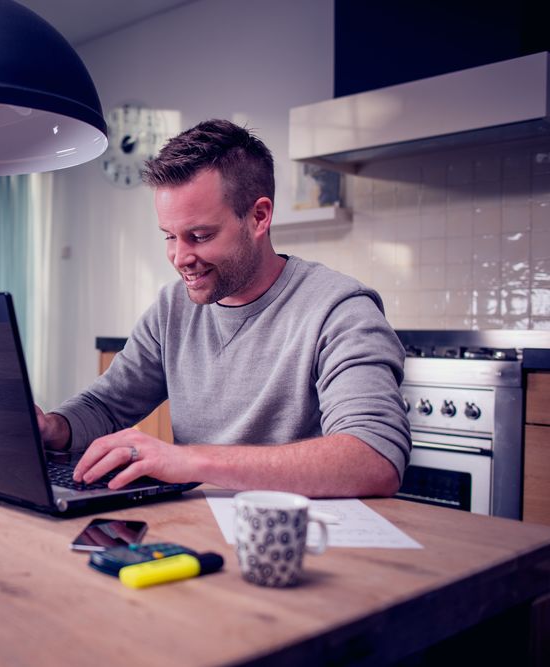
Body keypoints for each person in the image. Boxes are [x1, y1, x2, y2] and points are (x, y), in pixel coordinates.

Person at [36, 119, 410, 498]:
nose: (180, 257)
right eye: (169, 236)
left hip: (297, 544)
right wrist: (54, 426)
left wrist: (192, 461)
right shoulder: (172, 309)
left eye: (199, 236)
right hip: (197, 528)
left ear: (259, 217)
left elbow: (374, 457)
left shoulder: (339, 309)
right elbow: (107, 406)